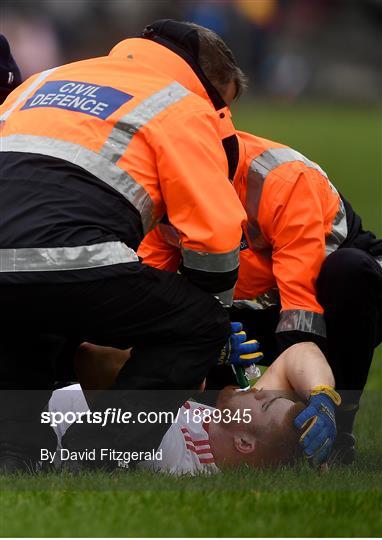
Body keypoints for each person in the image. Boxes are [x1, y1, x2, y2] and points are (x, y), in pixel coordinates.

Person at [0, 20, 249, 473]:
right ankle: (95, 455)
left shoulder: (42, 80)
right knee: (197, 324)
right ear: (209, 88)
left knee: (23, 323)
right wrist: (210, 318)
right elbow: (215, 238)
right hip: (76, 258)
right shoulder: (180, 104)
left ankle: (13, 454)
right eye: (223, 107)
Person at [138, 129, 382, 465]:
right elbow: (148, 298)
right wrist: (203, 341)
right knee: (187, 322)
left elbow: (301, 314)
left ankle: (340, 431)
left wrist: (318, 394)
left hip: (334, 300)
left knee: (350, 271)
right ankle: (229, 428)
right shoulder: (169, 190)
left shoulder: (282, 178)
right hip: (265, 306)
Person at [49, 339, 340, 474]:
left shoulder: (171, 453)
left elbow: (95, 355)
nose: (260, 391)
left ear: (243, 443)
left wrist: (192, 354)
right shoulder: (220, 427)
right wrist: (323, 398)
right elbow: (301, 352)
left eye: (263, 403)